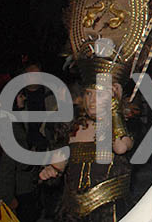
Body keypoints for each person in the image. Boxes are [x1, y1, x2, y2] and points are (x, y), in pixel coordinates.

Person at [39, 82, 133, 221]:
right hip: (74, 211)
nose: (92, 100)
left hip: (109, 211)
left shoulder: (122, 130)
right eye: (89, 93)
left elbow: (121, 148)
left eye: (100, 95)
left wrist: (114, 113)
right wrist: (50, 171)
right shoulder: (72, 127)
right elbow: (58, 164)